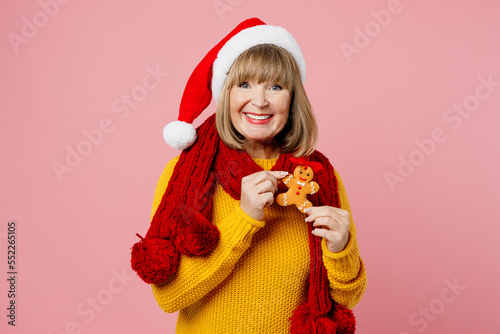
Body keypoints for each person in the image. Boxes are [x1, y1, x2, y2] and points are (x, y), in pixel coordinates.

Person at [131, 18, 367, 334]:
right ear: (226, 92)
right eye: (244, 84)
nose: (259, 101)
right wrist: (245, 217)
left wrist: (341, 249)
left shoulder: (320, 179)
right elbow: (169, 296)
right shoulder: (184, 176)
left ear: (293, 98)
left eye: (275, 86)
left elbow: (347, 298)